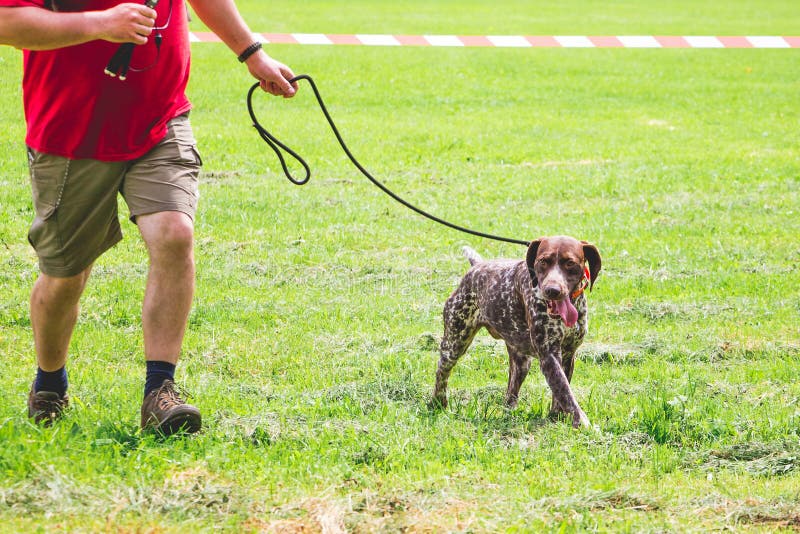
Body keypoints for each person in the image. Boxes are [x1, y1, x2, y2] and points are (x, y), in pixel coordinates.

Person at [0, 0, 297, 435]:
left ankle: (161, 391)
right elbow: (7, 22)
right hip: (72, 128)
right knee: (66, 274)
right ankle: (49, 382)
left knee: (174, 234)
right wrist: (101, 24)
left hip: (161, 117)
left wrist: (253, 53)